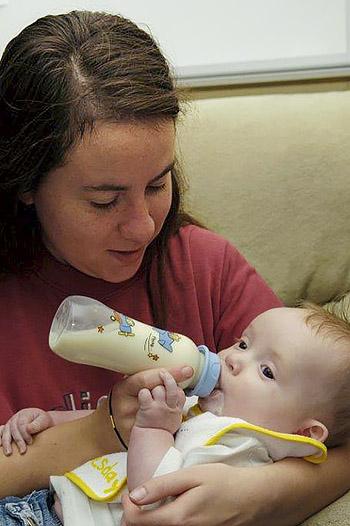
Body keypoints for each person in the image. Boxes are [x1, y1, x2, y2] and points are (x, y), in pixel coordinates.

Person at [0, 8, 348, 526]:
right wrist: (104, 430)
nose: (144, 227)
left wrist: (261, 495)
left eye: (158, 183)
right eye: (104, 201)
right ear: (25, 184)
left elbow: (329, 416)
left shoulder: (204, 267)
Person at [3, 303, 350, 525]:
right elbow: (109, 428)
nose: (232, 357)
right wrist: (49, 420)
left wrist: (153, 429)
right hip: (35, 505)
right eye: (244, 344)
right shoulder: (197, 408)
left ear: (305, 433)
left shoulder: (242, 449)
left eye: (267, 371)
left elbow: (154, 501)